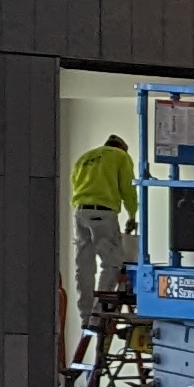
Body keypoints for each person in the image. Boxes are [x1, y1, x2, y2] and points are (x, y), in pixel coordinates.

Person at [68, 133, 138, 329]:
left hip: (80, 212)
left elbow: (75, 184)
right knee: (112, 264)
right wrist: (132, 215)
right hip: (103, 213)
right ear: (122, 147)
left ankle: (85, 316)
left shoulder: (85, 157)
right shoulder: (120, 157)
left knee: (84, 265)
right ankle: (99, 314)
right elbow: (128, 188)